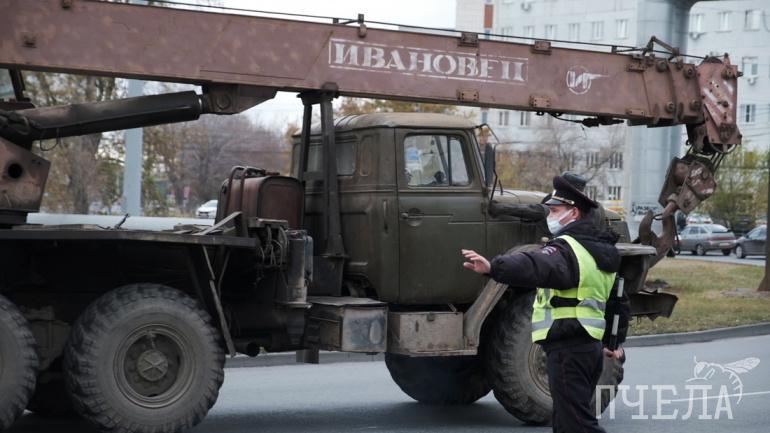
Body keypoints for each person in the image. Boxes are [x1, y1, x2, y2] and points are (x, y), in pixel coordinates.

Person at [462, 174, 625, 433]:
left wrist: (493, 267)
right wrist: (613, 343)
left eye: (555, 210)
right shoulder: (601, 251)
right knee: (565, 421)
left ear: (573, 213)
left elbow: (535, 263)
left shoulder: (567, 249)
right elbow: (618, 301)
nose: (549, 215)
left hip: (568, 347)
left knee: (576, 425)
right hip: (589, 348)